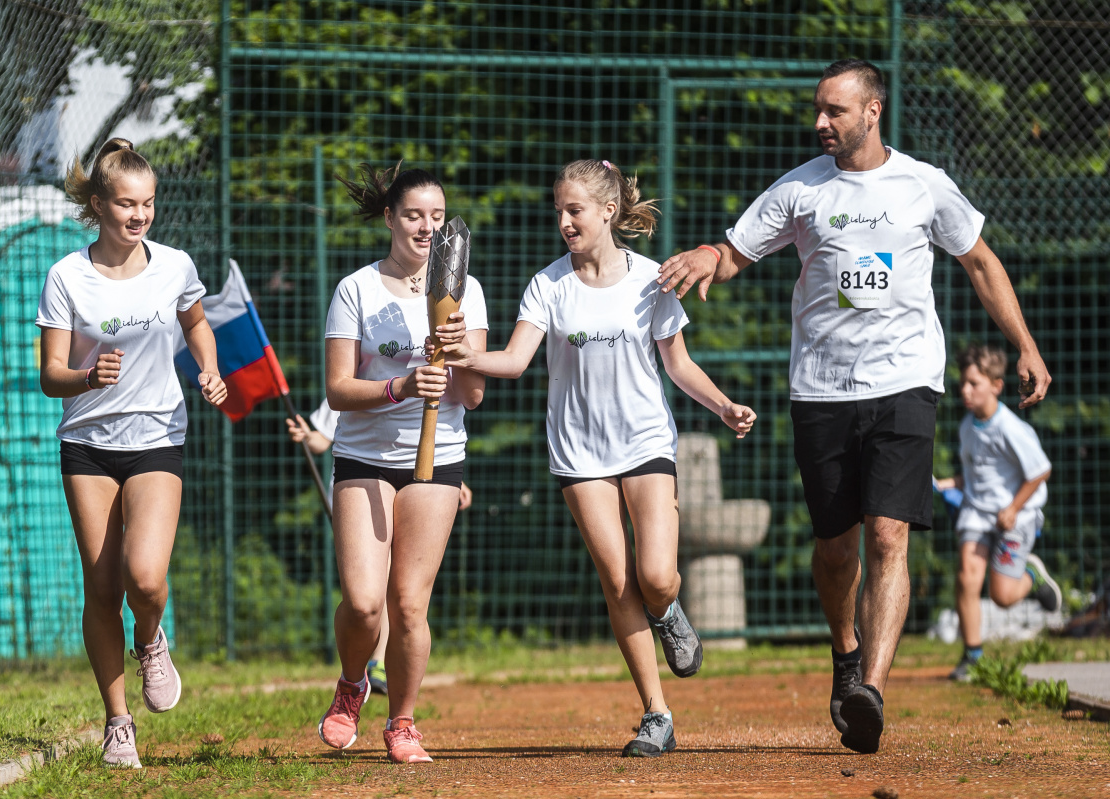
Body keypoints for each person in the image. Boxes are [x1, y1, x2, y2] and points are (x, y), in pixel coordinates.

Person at [656, 59, 1051, 754]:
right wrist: (705, 255)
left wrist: (1024, 343)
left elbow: (981, 263)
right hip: (821, 390)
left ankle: (870, 688)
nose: (821, 122)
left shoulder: (924, 185)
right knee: (836, 548)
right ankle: (846, 653)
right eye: (818, 109)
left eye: (834, 110)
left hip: (906, 384)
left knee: (889, 536)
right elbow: (734, 252)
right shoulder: (802, 188)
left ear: (873, 111)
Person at [436, 159, 755, 758]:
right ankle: (657, 714)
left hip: (646, 442)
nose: (564, 220)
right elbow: (514, 361)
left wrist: (724, 406)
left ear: (609, 211)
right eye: (558, 210)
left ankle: (668, 610)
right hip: (579, 453)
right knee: (617, 580)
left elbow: (679, 365)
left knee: (655, 577)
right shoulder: (548, 285)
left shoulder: (652, 280)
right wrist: (462, 356)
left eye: (575, 209)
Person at [36, 138, 228, 768]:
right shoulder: (67, 276)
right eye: (126, 204)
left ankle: (150, 639)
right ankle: (118, 723)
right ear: (99, 205)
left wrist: (208, 369)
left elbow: (196, 323)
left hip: (156, 436)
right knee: (100, 586)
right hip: (87, 445)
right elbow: (50, 375)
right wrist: (87, 376)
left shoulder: (174, 266)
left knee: (144, 577)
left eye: (147, 203)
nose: (139, 214)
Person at [315, 162, 487, 764]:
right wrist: (401, 387)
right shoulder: (356, 290)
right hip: (363, 456)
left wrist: (460, 350)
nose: (426, 227)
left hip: (437, 461)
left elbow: (473, 396)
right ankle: (351, 683)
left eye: (436, 217)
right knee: (365, 603)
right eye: (414, 215)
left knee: (409, 604)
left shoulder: (464, 291)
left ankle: (403, 722)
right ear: (390, 217)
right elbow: (338, 390)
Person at [287, 399, 474, 695]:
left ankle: (377, 662)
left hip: (415, 485)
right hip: (360, 491)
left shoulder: (427, 384)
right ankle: (364, 667)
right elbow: (321, 439)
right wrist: (307, 436)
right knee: (370, 592)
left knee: (400, 588)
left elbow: (429, 438)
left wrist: (452, 482)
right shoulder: (353, 382)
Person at [933, 344, 1060, 682]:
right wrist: (947, 484)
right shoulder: (967, 427)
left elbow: (1041, 470)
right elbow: (975, 476)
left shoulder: (1009, 427)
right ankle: (973, 657)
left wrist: (1013, 508)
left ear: (996, 386)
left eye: (973, 383)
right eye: (963, 383)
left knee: (1001, 596)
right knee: (967, 576)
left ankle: (1031, 576)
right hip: (977, 513)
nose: (965, 390)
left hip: (1015, 517)